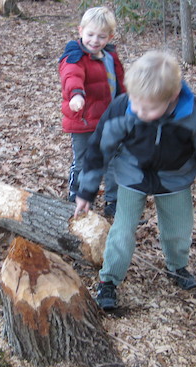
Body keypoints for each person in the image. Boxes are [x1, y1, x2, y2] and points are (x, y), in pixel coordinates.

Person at [73, 50, 196, 310]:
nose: (139, 111)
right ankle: (108, 280)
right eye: (136, 103)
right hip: (132, 174)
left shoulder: (192, 112)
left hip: (174, 178)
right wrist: (86, 190)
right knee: (122, 230)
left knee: (178, 230)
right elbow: (100, 147)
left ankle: (177, 266)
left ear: (172, 98)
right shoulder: (123, 106)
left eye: (148, 108)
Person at [59, 6, 126, 217]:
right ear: (80, 31)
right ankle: (77, 197)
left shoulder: (110, 56)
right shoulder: (75, 54)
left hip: (110, 122)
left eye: (101, 36)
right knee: (84, 161)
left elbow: (120, 84)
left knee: (115, 161)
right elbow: (72, 76)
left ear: (110, 37)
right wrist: (76, 94)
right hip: (84, 122)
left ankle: (114, 202)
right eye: (90, 34)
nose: (95, 40)